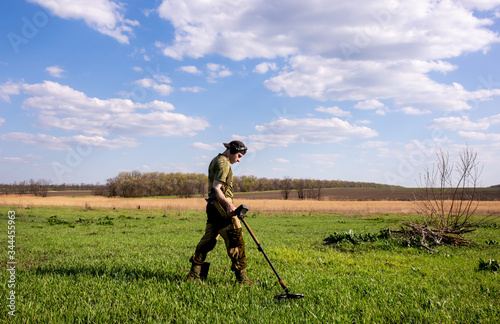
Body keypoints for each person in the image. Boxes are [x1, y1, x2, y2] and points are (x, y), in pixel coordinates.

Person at [187, 140, 256, 284]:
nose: (238, 160)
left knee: (208, 240)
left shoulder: (216, 160)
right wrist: (228, 205)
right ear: (232, 150)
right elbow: (217, 188)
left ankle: (194, 275)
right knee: (236, 238)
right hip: (222, 207)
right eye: (238, 156)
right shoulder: (224, 163)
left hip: (213, 206)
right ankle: (242, 278)